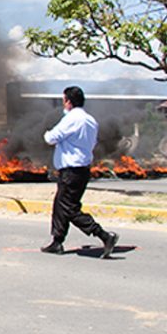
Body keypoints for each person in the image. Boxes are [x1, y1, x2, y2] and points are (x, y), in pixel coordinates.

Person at [42, 86, 119, 258]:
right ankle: (57, 241)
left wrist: (47, 133)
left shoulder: (72, 119)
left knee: (70, 209)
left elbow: (51, 138)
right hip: (82, 170)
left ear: (68, 101)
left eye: (64, 100)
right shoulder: (91, 120)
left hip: (71, 171)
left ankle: (104, 236)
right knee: (61, 205)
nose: (63, 103)